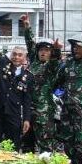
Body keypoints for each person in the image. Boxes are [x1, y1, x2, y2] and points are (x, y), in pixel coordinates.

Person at [0, 23, 32, 149]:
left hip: (13, 113)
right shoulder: (2, 65)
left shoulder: (28, 76)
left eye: (20, 55)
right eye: (14, 54)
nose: (16, 57)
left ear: (24, 58)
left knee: (13, 144)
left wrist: (27, 119)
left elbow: (27, 100)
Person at [21, 14, 62, 152]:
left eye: (47, 51)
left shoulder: (51, 66)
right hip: (27, 110)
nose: (43, 53)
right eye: (41, 50)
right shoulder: (34, 63)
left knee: (45, 146)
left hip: (43, 112)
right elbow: (30, 44)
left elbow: (56, 61)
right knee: (26, 144)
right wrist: (27, 26)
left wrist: (56, 50)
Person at [55, 38, 82, 164]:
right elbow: (58, 80)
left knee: (80, 140)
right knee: (67, 137)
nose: (75, 49)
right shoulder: (68, 63)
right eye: (74, 47)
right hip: (67, 108)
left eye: (78, 47)